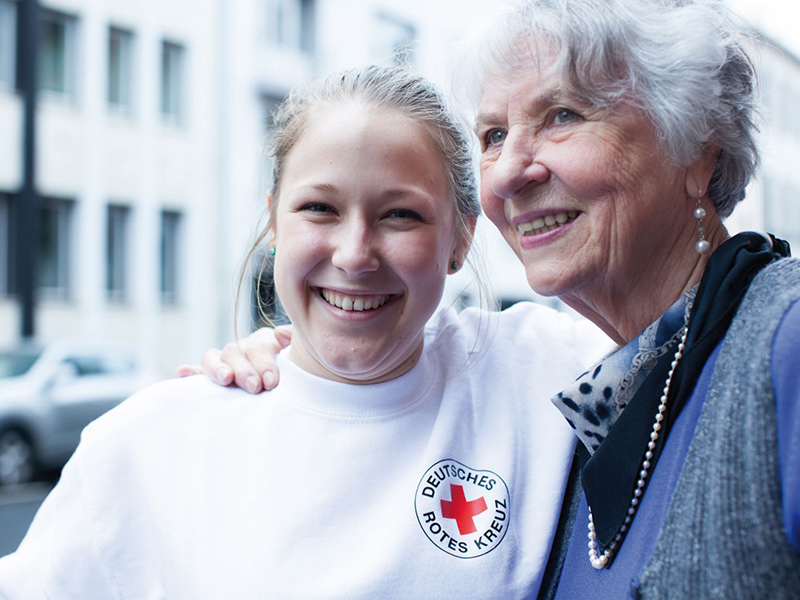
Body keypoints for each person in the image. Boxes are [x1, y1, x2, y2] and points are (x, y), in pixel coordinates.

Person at [194, 0, 800, 597]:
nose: (508, 172)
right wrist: (291, 367)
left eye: (562, 115)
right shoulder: (600, 395)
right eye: (493, 134)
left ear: (697, 147)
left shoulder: (783, 344)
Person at [0, 66, 610, 599]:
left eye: (401, 214)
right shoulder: (150, 443)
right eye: (319, 208)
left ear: (460, 239)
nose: (354, 254)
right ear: (273, 222)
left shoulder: (545, 370)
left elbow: (695, 321)